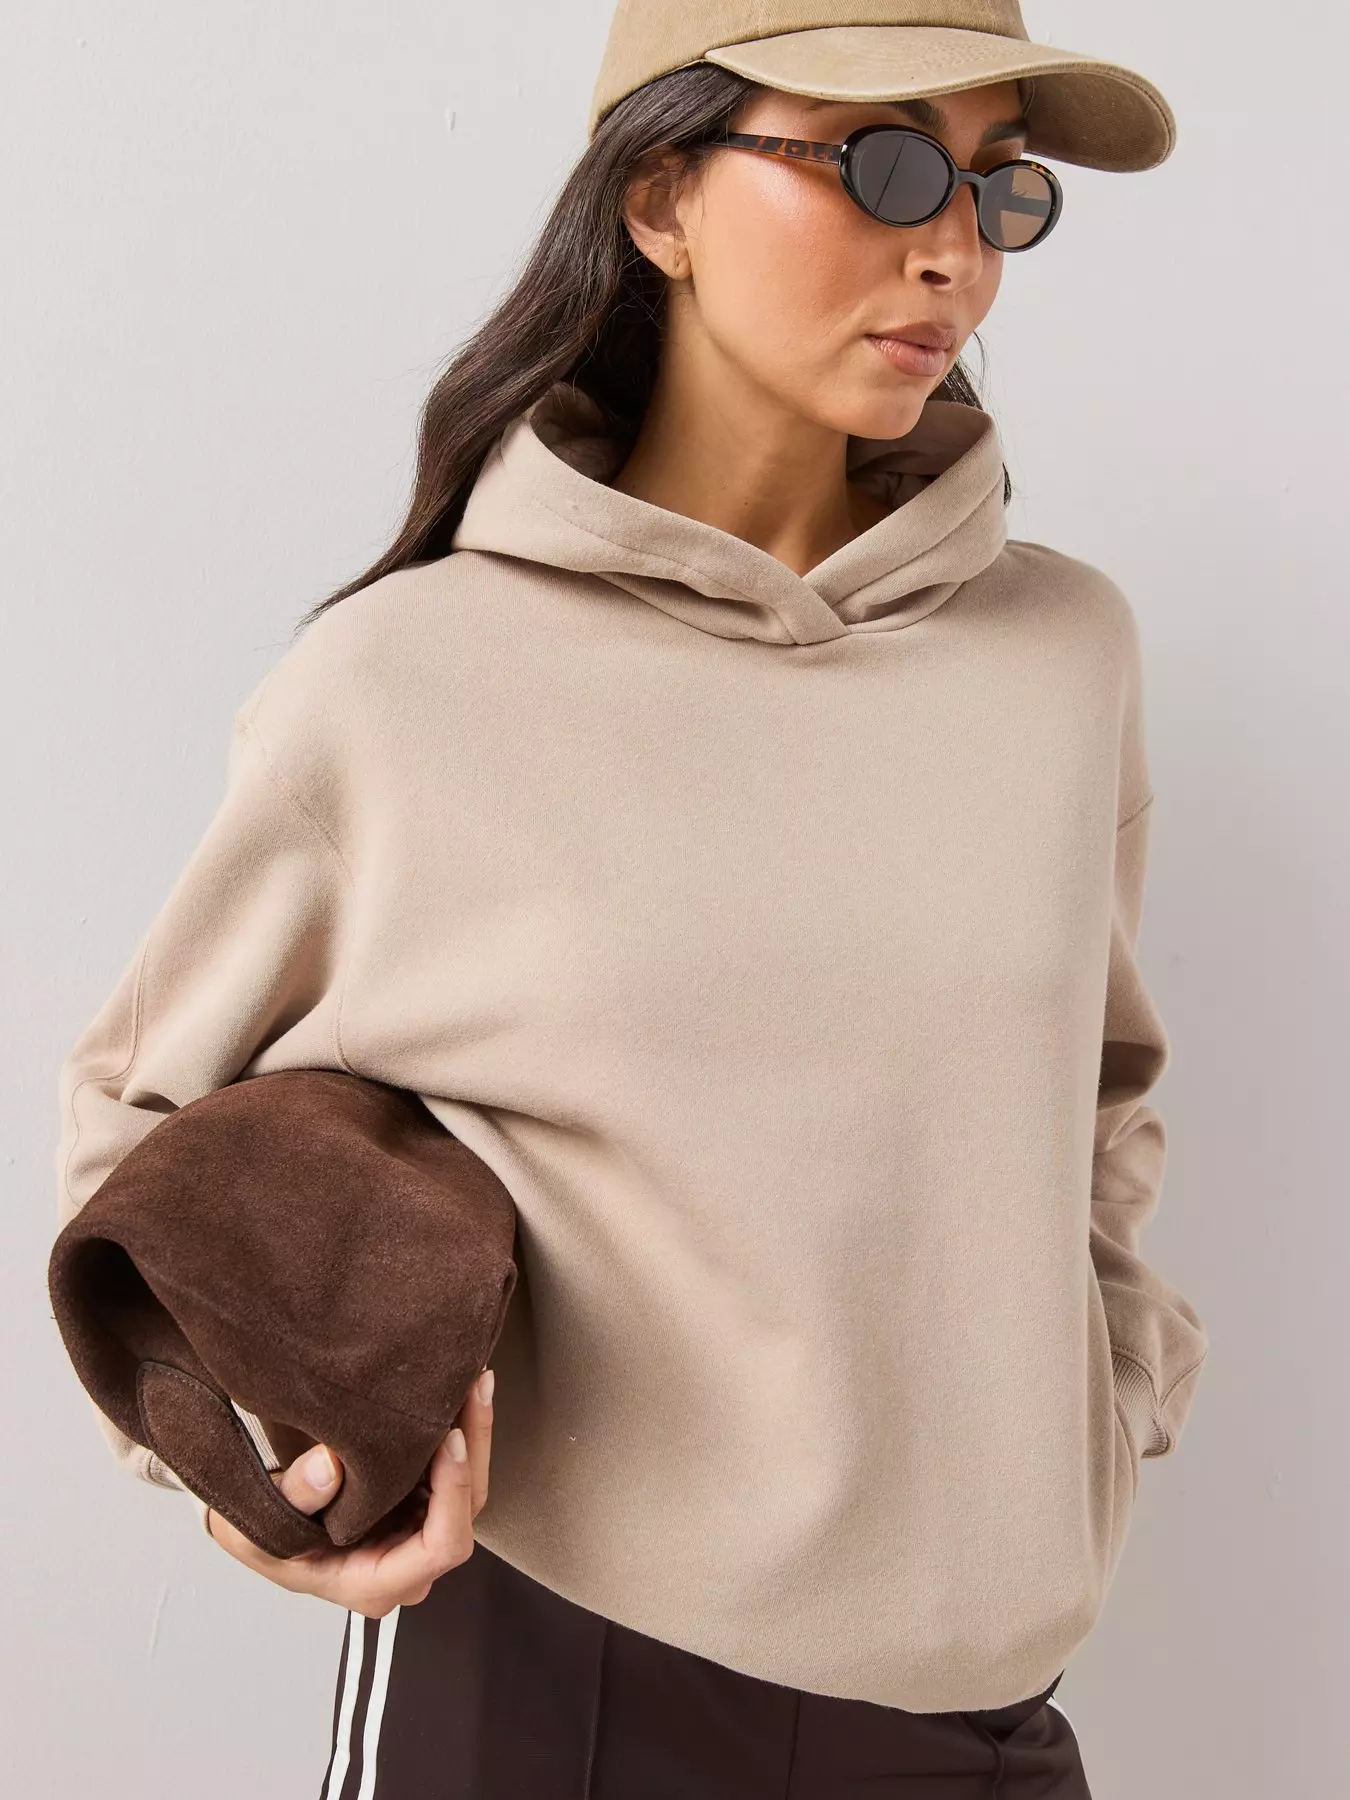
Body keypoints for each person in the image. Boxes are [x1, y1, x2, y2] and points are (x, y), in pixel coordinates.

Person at [53, 3, 1211, 1795]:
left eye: (998, 187)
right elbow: (133, 1136)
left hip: (976, 1710)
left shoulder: (1058, 657)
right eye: (880, 164)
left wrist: (1105, 1410)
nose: (951, 253)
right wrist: (260, 1476)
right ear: (660, 197)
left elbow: (1096, 1099)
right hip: (555, 1682)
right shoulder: (408, 681)